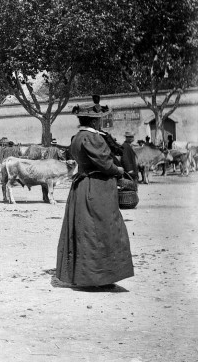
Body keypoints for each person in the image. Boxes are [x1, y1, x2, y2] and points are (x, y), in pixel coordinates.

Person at [56, 104, 133, 288]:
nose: (101, 122)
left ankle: (83, 277)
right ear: (94, 120)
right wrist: (119, 169)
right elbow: (106, 164)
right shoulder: (93, 138)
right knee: (102, 231)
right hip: (97, 189)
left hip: (82, 187)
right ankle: (100, 279)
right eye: (99, 119)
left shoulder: (77, 138)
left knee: (84, 231)